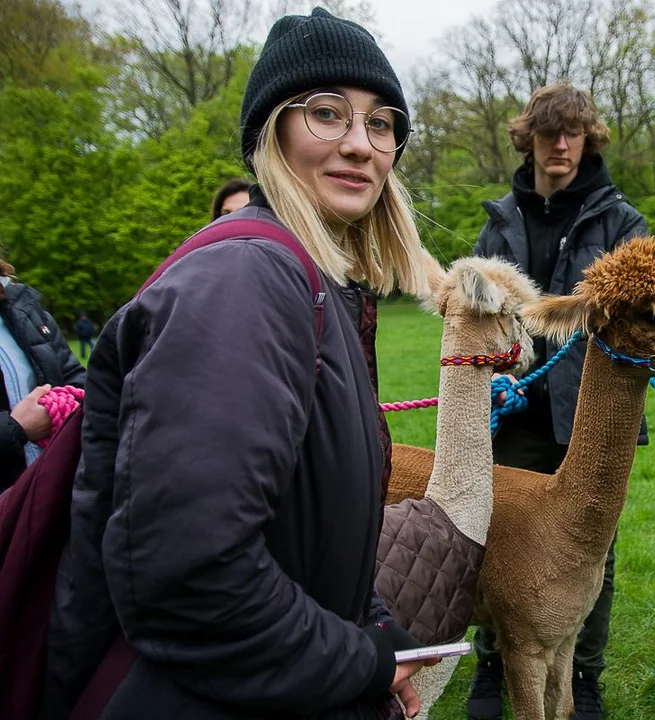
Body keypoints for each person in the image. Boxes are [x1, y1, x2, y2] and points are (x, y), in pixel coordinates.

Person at [40, 9, 442, 719]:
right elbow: (188, 578)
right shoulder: (248, 280)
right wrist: (362, 663)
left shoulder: (318, 283)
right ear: (272, 131)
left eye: (381, 123)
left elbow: (301, 528)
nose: (361, 145)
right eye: (327, 113)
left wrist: (373, 624)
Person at [468, 81, 646, 720]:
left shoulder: (618, 220)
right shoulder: (498, 220)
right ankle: (496, 665)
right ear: (529, 140)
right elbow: (478, 308)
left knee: (588, 548)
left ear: (588, 139)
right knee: (495, 539)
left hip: (589, 414)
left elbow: (637, 312)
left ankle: (584, 676)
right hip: (513, 410)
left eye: (573, 133)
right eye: (549, 134)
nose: (561, 145)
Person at [0, 258, 84, 490]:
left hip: (54, 486)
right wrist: (16, 429)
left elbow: (73, 374)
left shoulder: (24, 308)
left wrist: (68, 403)